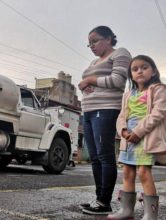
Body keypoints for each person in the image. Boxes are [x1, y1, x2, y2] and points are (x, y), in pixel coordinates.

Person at [78, 26, 132, 215]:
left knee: (104, 155)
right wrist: (84, 84)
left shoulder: (120, 53)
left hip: (106, 110)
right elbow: (85, 82)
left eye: (95, 40)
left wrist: (90, 80)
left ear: (108, 38)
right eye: (89, 43)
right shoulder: (94, 61)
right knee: (94, 158)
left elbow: (118, 81)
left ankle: (104, 202)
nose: (91, 45)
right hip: (88, 111)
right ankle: (99, 198)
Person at [107, 55, 166, 220]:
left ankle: (150, 215)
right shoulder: (128, 94)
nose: (139, 71)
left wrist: (138, 132)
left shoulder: (158, 89)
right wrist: (123, 131)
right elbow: (121, 116)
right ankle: (127, 211)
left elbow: (158, 113)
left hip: (145, 138)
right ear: (131, 74)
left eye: (144, 67)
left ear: (153, 71)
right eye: (135, 69)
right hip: (128, 139)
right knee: (127, 172)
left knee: (143, 172)